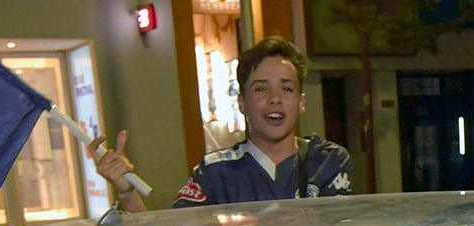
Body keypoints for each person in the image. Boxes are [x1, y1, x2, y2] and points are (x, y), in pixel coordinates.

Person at [90, 36, 352, 214]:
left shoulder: (328, 161)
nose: (275, 99)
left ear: (301, 102)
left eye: (287, 88)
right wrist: (127, 193)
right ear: (242, 103)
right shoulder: (214, 172)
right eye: (261, 89)